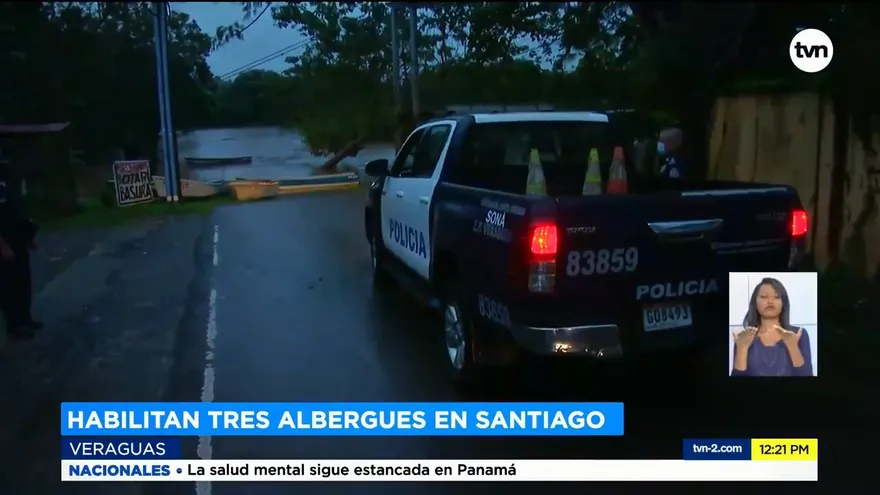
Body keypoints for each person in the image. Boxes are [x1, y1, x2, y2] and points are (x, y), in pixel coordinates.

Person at [730, 277, 813, 377]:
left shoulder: (799, 334)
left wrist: (792, 346)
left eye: (777, 297)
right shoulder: (744, 337)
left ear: (783, 303)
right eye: (764, 297)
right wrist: (742, 348)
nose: (770, 301)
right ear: (755, 303)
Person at [0, 160, 41, 338]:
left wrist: (29, 238)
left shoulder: (9, 189)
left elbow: (19, 214)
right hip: (5, 243)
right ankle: (14, 325)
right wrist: (3, 246)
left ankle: (25, 318)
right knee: (10, 286)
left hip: (18, 240)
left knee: (24, 281)